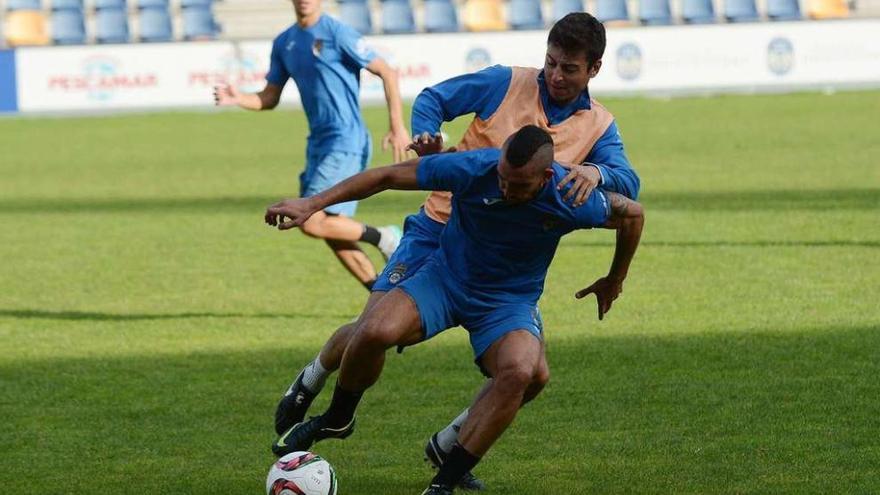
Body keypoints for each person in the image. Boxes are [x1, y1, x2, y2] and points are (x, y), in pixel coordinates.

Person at [272, 12, 640, 491]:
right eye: (550, 62)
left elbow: (630, 192)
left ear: (593, 69)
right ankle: (318, 386)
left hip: (507, 259)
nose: (555, 75)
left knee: (531, 374)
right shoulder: (503, 87)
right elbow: (431, 104)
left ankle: (449, 450)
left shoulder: (597, 130)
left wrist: (600, 174)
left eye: (568, 68)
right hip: (439, 226)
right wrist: (425, 134)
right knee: (375, 328)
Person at [213, 0, 409, 289]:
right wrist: (238, 98)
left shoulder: (338, 33)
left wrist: (397, 126)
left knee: (310, 221)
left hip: (346, 140)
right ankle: (379, 298)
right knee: (330, 231)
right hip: (318, 145)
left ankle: (385, 237)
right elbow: (269, 97)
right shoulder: (284, 42)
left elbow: (387, 72)